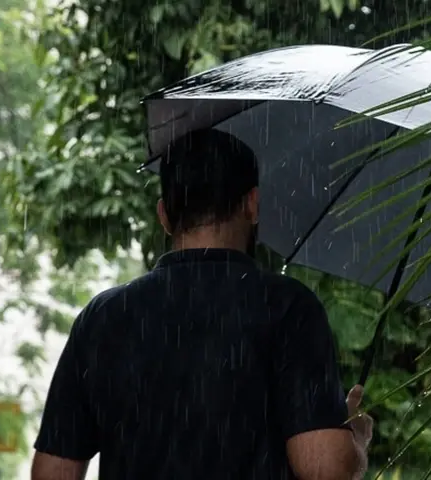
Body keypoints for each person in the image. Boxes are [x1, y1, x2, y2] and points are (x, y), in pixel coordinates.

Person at [31, 128, 373, 480]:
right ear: (252, 204)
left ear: (164, 215)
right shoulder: (289, 308)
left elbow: (51, 473)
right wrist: (356, 440)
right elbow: (324, 469)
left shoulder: (103, 317)